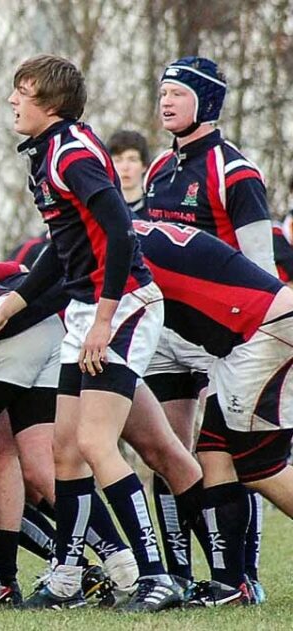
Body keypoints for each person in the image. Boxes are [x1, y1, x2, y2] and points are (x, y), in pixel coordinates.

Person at [0, 54, 179, 611]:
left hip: (124, 304)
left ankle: (156, 576)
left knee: (93, 442)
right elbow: (63, 254)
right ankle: (66, 575)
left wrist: (106, 320)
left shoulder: (73, 153)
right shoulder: (47, 155)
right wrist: (9, 306)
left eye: (23, 90)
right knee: (64, 450)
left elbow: (119, 232)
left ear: (52, 102)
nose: (13, 100)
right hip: (85, 309)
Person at [141, 56, 273, 595]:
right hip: (165, 332)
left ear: (207, 102)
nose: (165, 101)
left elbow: (261, 267)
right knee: (165, 450)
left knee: (230, 454)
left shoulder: (236, 172)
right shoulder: (157, 168)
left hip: (224, 334)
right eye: (162, 92)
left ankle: (243, 575)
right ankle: (177, 574)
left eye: (177, 92)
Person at [108, 129, 150, 215]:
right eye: (118, 160)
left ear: (144, 165)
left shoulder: (156, 209)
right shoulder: (100, 209)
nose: (125, 167)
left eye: (132, 160)